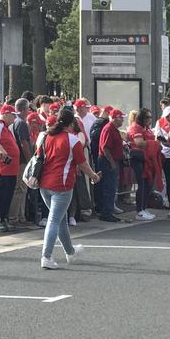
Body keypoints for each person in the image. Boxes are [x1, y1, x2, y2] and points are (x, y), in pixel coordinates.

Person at [38, 108, 101, 269]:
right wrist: (94, 176)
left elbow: (38, 155)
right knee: (55, 220)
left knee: (60, 219)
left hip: (44, 184)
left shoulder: (46, 137)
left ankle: (70, 252)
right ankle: (46, 256)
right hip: (62, 184)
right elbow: (82, 163)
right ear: (71, 123)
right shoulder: (72, 140)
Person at [127, 108, 157, 221]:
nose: (149, 119)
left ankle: (143, 208)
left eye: (150, 117)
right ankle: (139, 211)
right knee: (142, 184)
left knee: (148, 184)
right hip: (138, 157)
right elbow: (139, 143)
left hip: (147, 158)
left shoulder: (146, 128)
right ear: (141, 118)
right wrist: (153, 144)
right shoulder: (136, 127)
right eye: (147, 117)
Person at [96, 109, 125, 222]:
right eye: (121, 118)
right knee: (109, 187)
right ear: (115, 118)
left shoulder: (113, 129)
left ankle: (107, 211)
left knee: (111, 187)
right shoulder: (109, 129)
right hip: (107, 161)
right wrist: (112, 162)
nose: (122, 120)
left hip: (111, 160)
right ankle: (106, 213)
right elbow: (105, 148)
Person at [9, 98, 33, 226]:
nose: (29, 111)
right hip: (22, 160)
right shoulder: (21, 123)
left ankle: (20, 216)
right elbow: (24, 143)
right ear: (24, 109)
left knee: (21, 189)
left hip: (16, 160)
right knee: (19, 189)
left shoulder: (13, 122)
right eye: (28, 108)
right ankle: (14, 217)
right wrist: (30, 160)